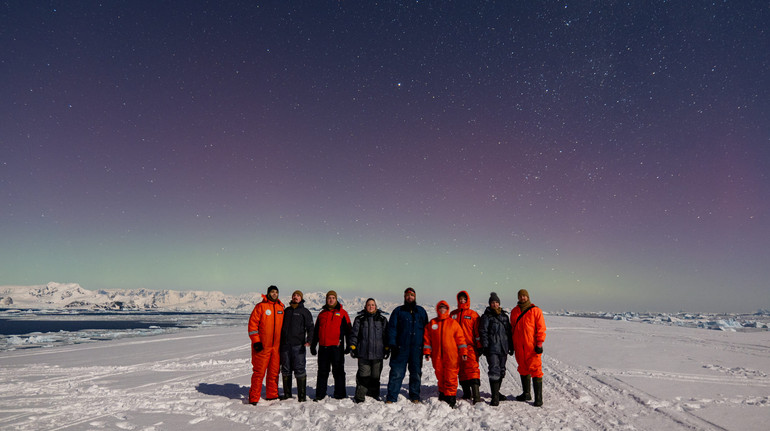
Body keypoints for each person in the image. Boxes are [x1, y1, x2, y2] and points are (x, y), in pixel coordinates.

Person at [385, 287, 429, 403]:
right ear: (404, 297)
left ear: (415, 297)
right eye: (407, 295)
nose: (410, 297)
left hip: (416, 348)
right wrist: (392, 344)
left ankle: (414, 396)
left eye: (412, 295)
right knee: (396, 373)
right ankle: (391, 397)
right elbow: (392, 328)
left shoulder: (421, 311)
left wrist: (426, 347)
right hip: (400, 348)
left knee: (416, 373)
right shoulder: (398, 311)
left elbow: (427, 330)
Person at [423, 300, 468, 408]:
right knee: (440, 375)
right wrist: (427, 352)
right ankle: (443, 393)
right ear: (437, 309)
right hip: (437, 355)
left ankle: (451, 397)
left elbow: (461, 340)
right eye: (440, 307)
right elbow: (427, 339)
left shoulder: (453, 323)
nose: (442, 309)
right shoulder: (433, 323)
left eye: (444, 308)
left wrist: (464, 352)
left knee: (451, 376)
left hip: (451, 356)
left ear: (447, 310)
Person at [310, 290, 352, 400]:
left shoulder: (343, 313)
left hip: (337, 348)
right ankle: (320, 394)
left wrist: (349, 345)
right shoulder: (322, 314)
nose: (331, 300)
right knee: (322, 372)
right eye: (329, 298)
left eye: (333, 298)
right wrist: (313, 345)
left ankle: (340, 394)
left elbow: (349, 331)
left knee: (338, 372)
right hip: (323, 348)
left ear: (336, 299)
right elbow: (316, 331)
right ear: (326, 300)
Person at [247, 285, 285, 404]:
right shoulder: (260, 307)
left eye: (276, 292)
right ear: (268, 293)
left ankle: (272, 394)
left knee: (274, 372)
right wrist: (256, 341)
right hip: (262, 346)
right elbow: (252, 326)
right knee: (259, 373)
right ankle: (254, 398)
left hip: (277, 347)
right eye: (272, 292)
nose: (274, 294)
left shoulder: (281, 307)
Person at [510, 289, 547, 407]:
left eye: (524, 296)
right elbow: (512, 329)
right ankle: (526, 394)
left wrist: (539, 344)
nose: (522, 298)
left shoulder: (536, 311)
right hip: (519, 347)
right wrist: (512, 344)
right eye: (520, 296)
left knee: (536, 370)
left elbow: (541, 328)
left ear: (528, 297)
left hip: (532, 347)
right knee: (523, 368)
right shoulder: (514, 311)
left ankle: (538, 398)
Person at [348, 298, 389, 403]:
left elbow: (386, 336)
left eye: (373, 305)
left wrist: (387, 348)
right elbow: (354, 335)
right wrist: (353, 346)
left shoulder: (382, 319)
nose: (371, 307)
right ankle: (360, 397)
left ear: (376, 306)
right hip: (363, 353)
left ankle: (373, 395)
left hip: (378, 354)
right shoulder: (360, 319)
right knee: (364, 376)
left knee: (375, 376)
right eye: (369, 305)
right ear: (365, 307)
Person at [479, 291, 513, 406]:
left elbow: (509, 333)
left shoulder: (504, 316)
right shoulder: (486, 316)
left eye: (496, 302)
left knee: (502, 371)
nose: (495, 304)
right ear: (490, 304)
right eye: (492, 302)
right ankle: (495, 397)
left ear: (499, 303)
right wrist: (485, 346)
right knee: (494, 371)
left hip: (503, 348)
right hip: (492, 348)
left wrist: (511, 346)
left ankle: (496, 392)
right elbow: (483, 331)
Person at [279, 290, 314, 401]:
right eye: (294, 295)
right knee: (286, 369)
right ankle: (287, 395)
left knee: (299, 369)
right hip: (285, 345)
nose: (295, 297)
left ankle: (302, 396)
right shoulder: (287, 311)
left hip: (298, 346)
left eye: (298, 296)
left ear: (301, 298)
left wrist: (309, 340)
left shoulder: (305, 312)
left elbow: (310, 328)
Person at [450, 290, 482, 404]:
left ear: (467, 300)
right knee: (462, 371)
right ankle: (467, 393)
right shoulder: (453, 314)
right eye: (460, 299)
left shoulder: (473, 314)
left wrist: (479, 346)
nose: (462, 300)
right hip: (457, 348)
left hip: (470, 346)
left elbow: (477, 332)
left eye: (464, 299)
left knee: (472, 369)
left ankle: (476, 395)